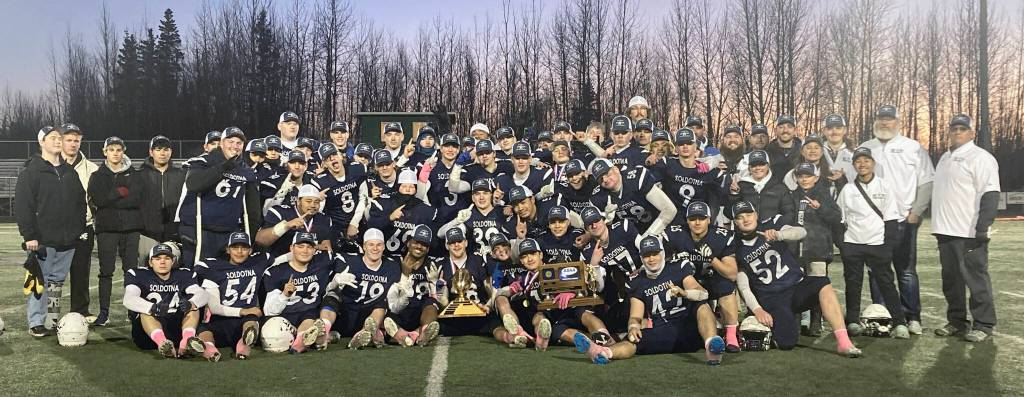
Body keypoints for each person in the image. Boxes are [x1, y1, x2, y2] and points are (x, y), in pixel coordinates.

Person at [731, 201, 861, 357]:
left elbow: (801, 232)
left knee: (822, 283)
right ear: (735, 222)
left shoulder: (772, 223)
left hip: (796, 287)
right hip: (773, 299)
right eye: (740, 217)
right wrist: (757, 309)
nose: (746, 219)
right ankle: (770, 327)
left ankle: (844, 342)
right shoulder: (736, 247)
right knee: (787, 343)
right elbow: (743, 286)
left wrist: (780, 235)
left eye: (749, 214)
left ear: (756, 215)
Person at [571, 235, 726, 366]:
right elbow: (635, 315)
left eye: (654, 253)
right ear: (641, 257)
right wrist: (633, 327)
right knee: (633, 341)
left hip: (691, 327)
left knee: (702, 306)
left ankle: (712, 349)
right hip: (664, 331)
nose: (651, 258)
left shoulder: (678, 267)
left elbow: (702, 293)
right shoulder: (637, 281)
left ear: (662, 253)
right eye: (647, 255)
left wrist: (685, 294)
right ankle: (602, 352)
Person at [859, 104, 934, 335]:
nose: (884, 123)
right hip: (873, 223)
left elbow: (926, 181)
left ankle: (912, 316)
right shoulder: (865, 148)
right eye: (881, 119)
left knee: (906, 271)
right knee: (876, 270)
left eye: (889, 119)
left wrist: (916, 212)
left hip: (902, 220)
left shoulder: (912, 147)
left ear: (897, 122)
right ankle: (881, 316)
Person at [931, 114, 1001, 343]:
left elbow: (990, 193)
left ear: (972, 133)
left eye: (963, 128)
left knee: (975, 279)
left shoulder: (980, 157)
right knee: (951, 281)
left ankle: (984, 324)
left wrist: (983, 227)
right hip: (945, 230)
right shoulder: (944, 157)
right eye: (954, 128)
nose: (958, 132)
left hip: (968, 231)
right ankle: (957, 321)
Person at [15, 126, 87, 337]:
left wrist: (78, 229)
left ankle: (52, 320)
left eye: (59, 138)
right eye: (53, 138)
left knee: (57, 282)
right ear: (42, 142)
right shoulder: (32, 172)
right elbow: (23, 206)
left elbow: (80, 203)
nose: (58, 141)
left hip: (68, 239)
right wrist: (30, 236)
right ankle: (36, 322)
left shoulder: (69, 172)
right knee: (39, 281)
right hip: (43, 240)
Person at [836, 148, 908, 339]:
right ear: (854, 165)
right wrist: (844, 245)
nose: (862, 164)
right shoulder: (848, 189)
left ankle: (900, 322)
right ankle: (852, 321)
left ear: (873, 163)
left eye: (866, 160)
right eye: (858, 161)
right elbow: (839, 220)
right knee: (853, 284)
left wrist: (888, 247)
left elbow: (892, 220)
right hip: (853, 243)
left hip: (878, 244)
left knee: (886, 284)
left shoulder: (885, 186)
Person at [175, 127, 262, 269]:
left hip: (228, 233)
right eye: (231, 141)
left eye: (239, 143)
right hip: (200, 232)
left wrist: (249, 237)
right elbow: (194, 184)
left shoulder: (246, 170)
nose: (235, 146)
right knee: (197, 275)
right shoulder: (203, 161)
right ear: (221, 143)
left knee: (224, 276)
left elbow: (253, 210)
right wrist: (224, 167)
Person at [660, 201, 741, 352]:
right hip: (686, 282)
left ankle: (731, 336)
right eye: (692, 219)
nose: (697, 222)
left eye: (701, 218)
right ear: (687, 220)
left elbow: (732, 274)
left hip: (712, 279)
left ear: (709, 220)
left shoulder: (721, 236)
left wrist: (712, 258)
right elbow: (661, 263)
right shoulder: (674, 234)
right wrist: (674, 260)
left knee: (726, 286)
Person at [87, 136, 142, 327]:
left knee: (131, 271)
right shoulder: (97, 175)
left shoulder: (134, 174)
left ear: (123, 151)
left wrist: (111, 198)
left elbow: (136, 199)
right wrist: (119, 192)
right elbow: (99, 200)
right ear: (105, 152)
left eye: (118, 149)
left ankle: (132, 311)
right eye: (111, 150)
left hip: (131, 228)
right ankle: (104, 313)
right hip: (107, 229)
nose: (115, 153)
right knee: (106, 272)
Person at [194, 232, 270, 361]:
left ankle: (244, 344)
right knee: (204, 330)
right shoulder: (214, 268)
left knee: (251, 321)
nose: (239, 252)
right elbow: (215, 307)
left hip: (246, 319)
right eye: (235, 247)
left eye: (244, 248)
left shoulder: (257, 263)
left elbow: (284, 259)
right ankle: (209, 348)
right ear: (228, 249)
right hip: (222, 318)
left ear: (250, 250)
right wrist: (244, 311)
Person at [786, 162, 842, 336]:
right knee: (795, 285)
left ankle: (816, 322)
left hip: (817, 247)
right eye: (801, 176)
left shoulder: (823, 194)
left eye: (808, 176)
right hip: (795, 248)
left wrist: (821, 208)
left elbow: (836, 217)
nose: (804, 179)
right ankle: (794, 322)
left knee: (818, 285)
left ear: (816, 178)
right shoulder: (791, 195)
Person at [123, 243, 208, 358]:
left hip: (177, 328)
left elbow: (201, 294)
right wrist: (153, 307)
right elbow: (129, 299)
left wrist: (190, 304)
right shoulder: (139, 275)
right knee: (145, 312)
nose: (162, 262)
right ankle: (162, 343)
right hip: (148, 333)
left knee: (194, 308)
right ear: (150, 262)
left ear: (173, 261)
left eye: (167, 258)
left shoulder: (183, 274)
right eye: (158, 258)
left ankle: (187, 341)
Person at [261, 232, 338, 353]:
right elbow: (269, 311)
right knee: (272, 338)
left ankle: (303, 338)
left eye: (309, 247)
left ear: (314, 250)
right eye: (300, 246)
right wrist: (285, 295)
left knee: (312, 314)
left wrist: (338, 280)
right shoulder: (276, 272)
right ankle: (319, 337)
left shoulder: (322, 264)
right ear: (292, 248)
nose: (305, 251)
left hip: (308, 315)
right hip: (283, 318)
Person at [325, 228, 401, 349]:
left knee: (382, 305)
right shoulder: (347, 260)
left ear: (384, 247)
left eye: (379, 245)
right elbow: (329, 289)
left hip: (371, 315)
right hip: (346, 313)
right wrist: (336, 280)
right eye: (371, 244)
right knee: (331, 296)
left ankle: (366, 331)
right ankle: (324, 329)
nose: (375, 248)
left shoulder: (392, 266)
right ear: (364, 246)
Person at [58, 123, 99, 319]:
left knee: (81, 272)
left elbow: (97, 200)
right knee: (53, 275)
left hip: (84, 228)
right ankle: (50, 314)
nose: (73, 144)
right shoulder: (49, 165)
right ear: (61, 140)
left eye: (76, 140)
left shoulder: (92, 169)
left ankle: (80, 311)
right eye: (69, 140)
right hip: (55, 229)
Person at [382, 225, 441, 347]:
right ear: (409, 243)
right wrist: (404, 275)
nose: (419, 247)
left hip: (421, 313)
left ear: (428, 248)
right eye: (416, 242)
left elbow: (439, 297)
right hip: (400, 311)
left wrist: (435, 283)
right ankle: (407, 335)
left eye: (424, 244)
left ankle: (424, 332)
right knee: (384, 313)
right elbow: (391, 298)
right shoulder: (394, 262)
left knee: (431, 303)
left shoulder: (433, 265)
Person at [589, 158, 677, 236]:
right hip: (632, 237)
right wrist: (607, 221)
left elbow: (669, 210)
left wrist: (648, 236)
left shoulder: (635, 179)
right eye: (600, 179)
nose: (605, 180)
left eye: (607, 174)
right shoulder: (598, 197)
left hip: (660, 226)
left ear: (616, 169)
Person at [137, 135, 185, 266]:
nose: (162, 153)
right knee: (145, 273)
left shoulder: (181, 175)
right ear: (151, 152)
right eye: (158, 149)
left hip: (174, 234)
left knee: (174, 274)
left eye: (166, 149)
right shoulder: (139, 175)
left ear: (171, 151)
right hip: (147, 234)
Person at [256, 185, 334, 256]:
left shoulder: (323, 219)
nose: (313, 205)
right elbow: (260, 241)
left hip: (310, 264)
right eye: (308, 201)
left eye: (316, 202)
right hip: (280, 262)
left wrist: (310, 246)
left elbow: (327, 249)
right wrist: (285, 226)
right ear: (298, 201)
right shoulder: (281, 212)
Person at [731, 150, 794, 225]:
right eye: (754, 165)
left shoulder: (780, 187)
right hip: (747, 234)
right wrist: (734, 195)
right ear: (749, 168)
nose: (757, 168)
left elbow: (789, 214)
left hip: (771, 234)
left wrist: (775, 228)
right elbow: (729, 214)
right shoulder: (740, 186)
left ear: (768, 165)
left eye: (761, 164)